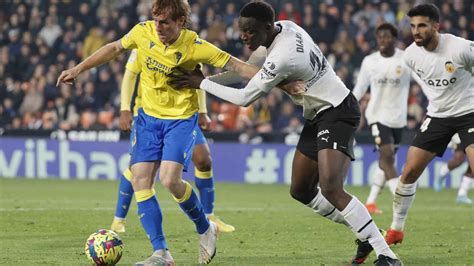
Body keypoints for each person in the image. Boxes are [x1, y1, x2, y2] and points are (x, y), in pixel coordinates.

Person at [171, 2, 401, 265]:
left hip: (337, 110)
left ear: (266, 27)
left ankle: (386, 253)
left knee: (331, 188)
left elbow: (245, 97)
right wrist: (206, 80)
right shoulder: (286, 28)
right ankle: (366, 233)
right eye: (241, 30)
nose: (243, 36)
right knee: (301, 190)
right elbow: (245, 71)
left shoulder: (284, 55)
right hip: (317, 115)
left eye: (249, 31)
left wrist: (201, 83)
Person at [57, 0, 258, 264]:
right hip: (148, 119)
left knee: (170, 181)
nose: (159, 27)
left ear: (181, 22)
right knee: (140, 179)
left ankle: (204, 228)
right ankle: (161, 252)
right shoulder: (143, 32)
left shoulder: (195, 46)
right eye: (156, 21)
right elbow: (115, 48)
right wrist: (78, 68)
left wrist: (279, 79)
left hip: (179, 120)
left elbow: (237, 66)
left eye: (165, 23)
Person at [110, 49, 235, 234]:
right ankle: (118, 220)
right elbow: (130, 74)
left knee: (203, 160)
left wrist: (202, 111)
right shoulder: (144, 41)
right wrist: (124, 108)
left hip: (182, 114)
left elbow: (196, 78)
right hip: (149, 115)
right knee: (138, 169)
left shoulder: (189, 44)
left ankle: (209, 216)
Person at [384, 4, 474, 246]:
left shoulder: (461, 48)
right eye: (412, 26)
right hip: (438, 117)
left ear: (436, 26)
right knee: (409, 171)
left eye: (422, 25)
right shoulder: (411, 56)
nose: (416, 31)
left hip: (470, 113)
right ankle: (396, 229)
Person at [352, 23, 414, 215]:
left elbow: (422, 79)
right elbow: (360, 87)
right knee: (387, 157)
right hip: (377, 115)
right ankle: (398, 195)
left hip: (398, 118)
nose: (383, 40)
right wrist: (347, 107)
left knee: (386, 159)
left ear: (394, 39)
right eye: (380, 37)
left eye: (387, 37)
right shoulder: (370, 61)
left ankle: (370, 202)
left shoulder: (406, 59)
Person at [434, 133, 473, 205]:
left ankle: (462, 194)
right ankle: (441, 175)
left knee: (472, 164)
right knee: (458, 160)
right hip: (461, 131)